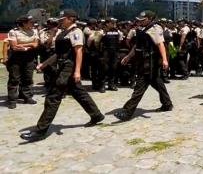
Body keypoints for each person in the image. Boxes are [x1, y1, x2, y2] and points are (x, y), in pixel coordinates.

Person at [20, 9, 104, 142]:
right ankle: (97, 115)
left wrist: (77, 71)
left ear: (71, 19)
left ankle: (41, 130)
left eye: (62, 19)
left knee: (53, 96)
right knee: (79, 93)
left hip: (69, 67)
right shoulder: (63, 33)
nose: (60, 21)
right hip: (62, 65)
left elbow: (79, 51)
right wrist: (44, 64)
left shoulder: (76, 32)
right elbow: (58, 54)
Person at [114, 10, 173, 121]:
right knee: (158, 83)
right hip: (142, 61)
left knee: (139, 87)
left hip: (150, 63)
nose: (140, 21)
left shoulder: (155, 28)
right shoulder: (142, 29)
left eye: (143, 19)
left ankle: (127, 111)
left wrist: (165, 60)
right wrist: (128, 57)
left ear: (150, 19)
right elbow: (137, 45)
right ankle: (167, 104)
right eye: (139, 19)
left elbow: (160, 44)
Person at [6, 15, 39, 109]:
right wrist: (30, 44)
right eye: (31, 22)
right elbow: (14, 46)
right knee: (14, 78)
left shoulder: (34, 31)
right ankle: (12, 99)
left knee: (28, 77)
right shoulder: (14, 31)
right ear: (24, 23)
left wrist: (23, 45)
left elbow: (36, 44)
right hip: (16, 57)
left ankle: (26, 96)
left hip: (29, 57)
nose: (33, 24)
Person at [99, 18, 123, 91]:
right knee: (104, 68)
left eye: (114, 23)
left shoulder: (117, 31)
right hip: (105, 52)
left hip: (114, 52)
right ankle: (102, 85)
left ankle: (111, 84)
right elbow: (97, 42)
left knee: (113, 68)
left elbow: (119, 41)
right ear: (107, 23)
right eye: (112, 23)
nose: (114, 24)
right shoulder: (102, 31)